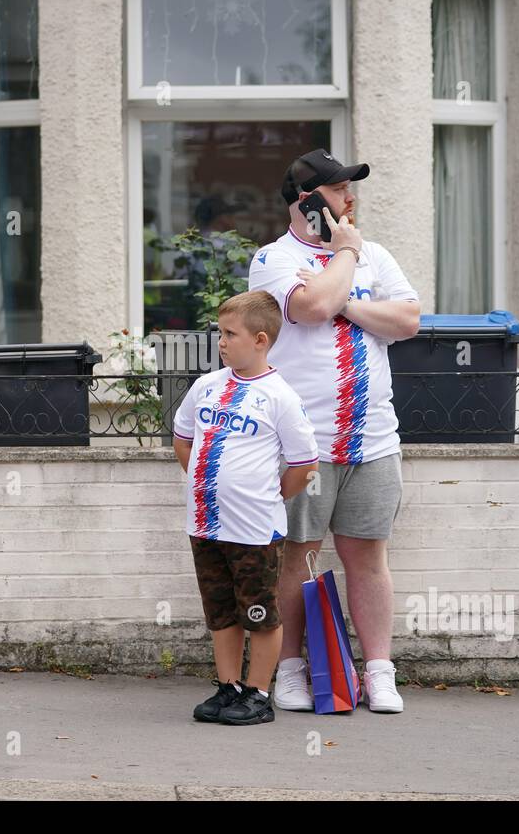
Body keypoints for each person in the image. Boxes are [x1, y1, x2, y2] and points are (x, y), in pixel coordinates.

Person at [248, 148, 421, 714]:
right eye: (341, 190)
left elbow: (408, 321)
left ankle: (378, 671)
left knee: (368, 556)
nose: (352, 200)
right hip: (305, 443)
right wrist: (343, 262)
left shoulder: (374, 255)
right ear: (309, 202)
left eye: (352, 188)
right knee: (297, 557)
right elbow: (311, 309)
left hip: (373, 438)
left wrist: (341, 293)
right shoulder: (273, 260)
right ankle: (294, 670)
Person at [172, 290, 319, 725]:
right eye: (220, 332)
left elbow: (305, 464)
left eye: (230, 334)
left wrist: (272, 494)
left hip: (254, 529)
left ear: (260, 340)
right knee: (220, 612)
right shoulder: (206, 387)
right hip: (205, 523)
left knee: (259, 613)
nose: (221, 341)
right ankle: (229, 685)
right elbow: (184, 440)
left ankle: (258, 694)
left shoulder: (280, 397)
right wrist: (207, 482)